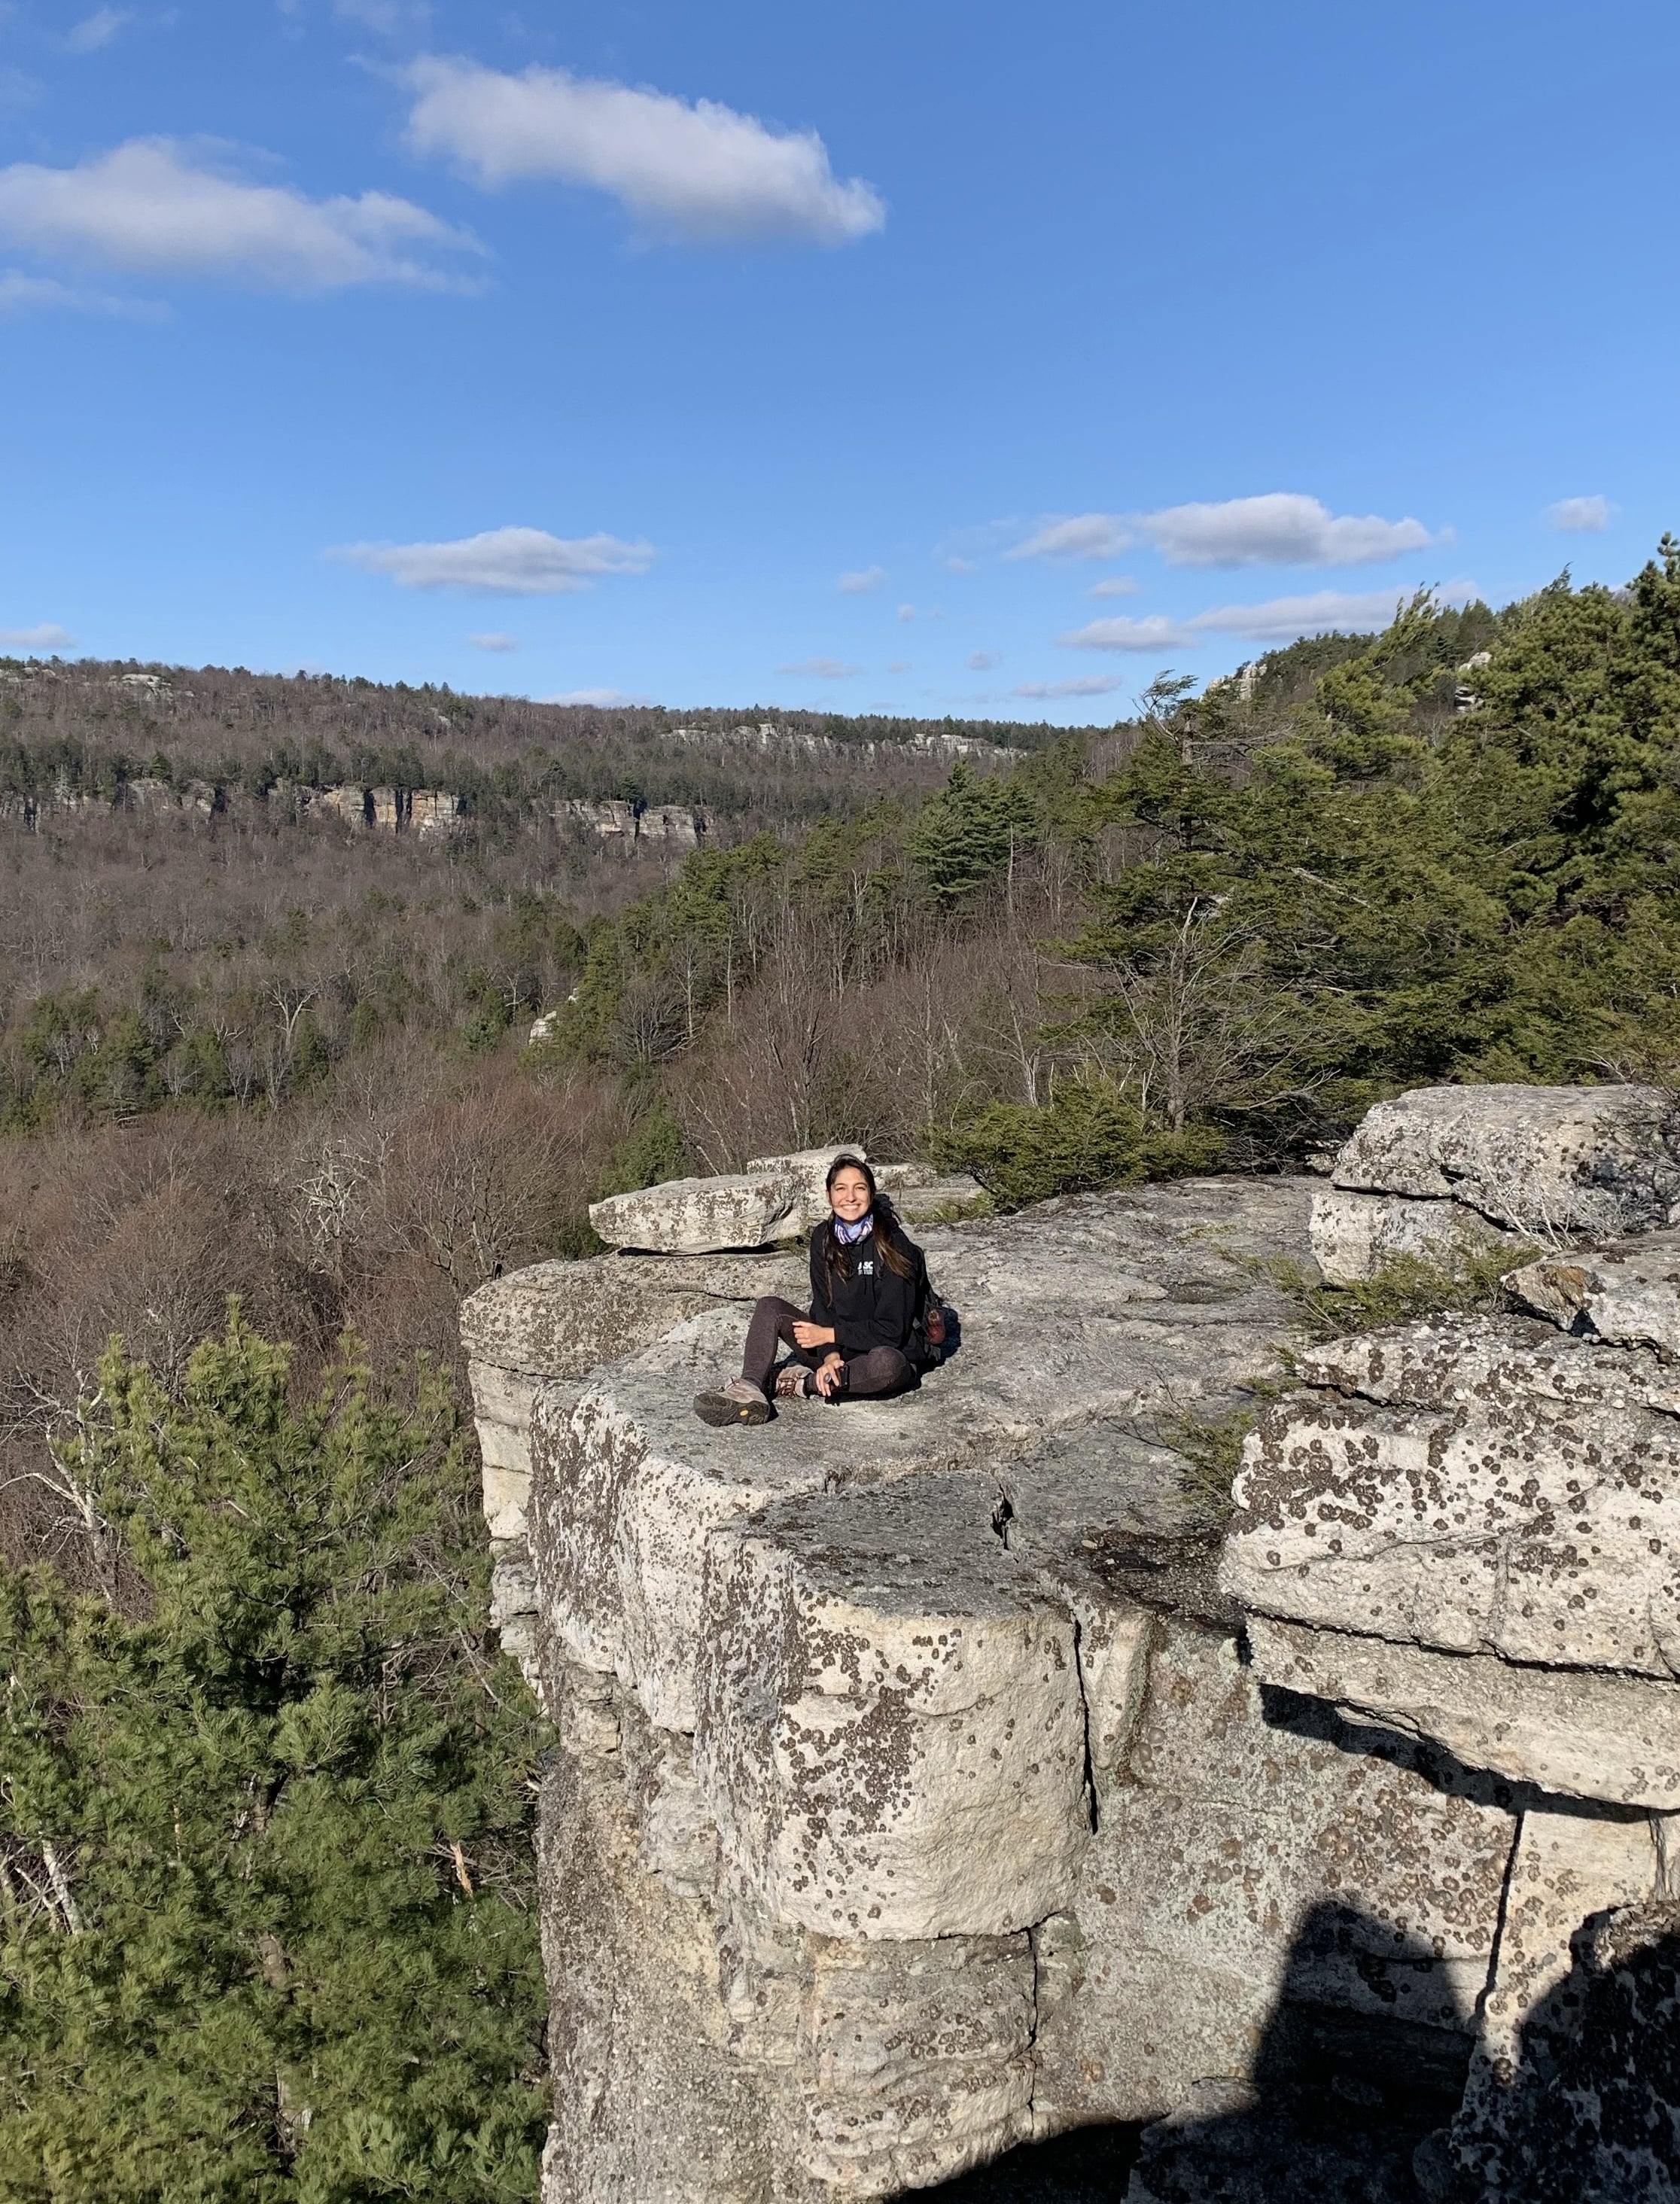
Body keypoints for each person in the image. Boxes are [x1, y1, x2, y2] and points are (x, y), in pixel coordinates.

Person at [692, 1154, 932, 1427]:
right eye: (841, 1189)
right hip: (835, 1347)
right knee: (770, 1307)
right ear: (829, 1196)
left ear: (871, 1193)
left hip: (883, 1352)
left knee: (887, 1366)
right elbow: (823, 1307)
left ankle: (800, 1384)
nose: (850, 1197)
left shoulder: (895, 1247)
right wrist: (830, 1354)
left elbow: (892, 1331)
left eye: (860, 1188)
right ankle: (750, 1388)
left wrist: (827, 1336)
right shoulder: (823, 1238)